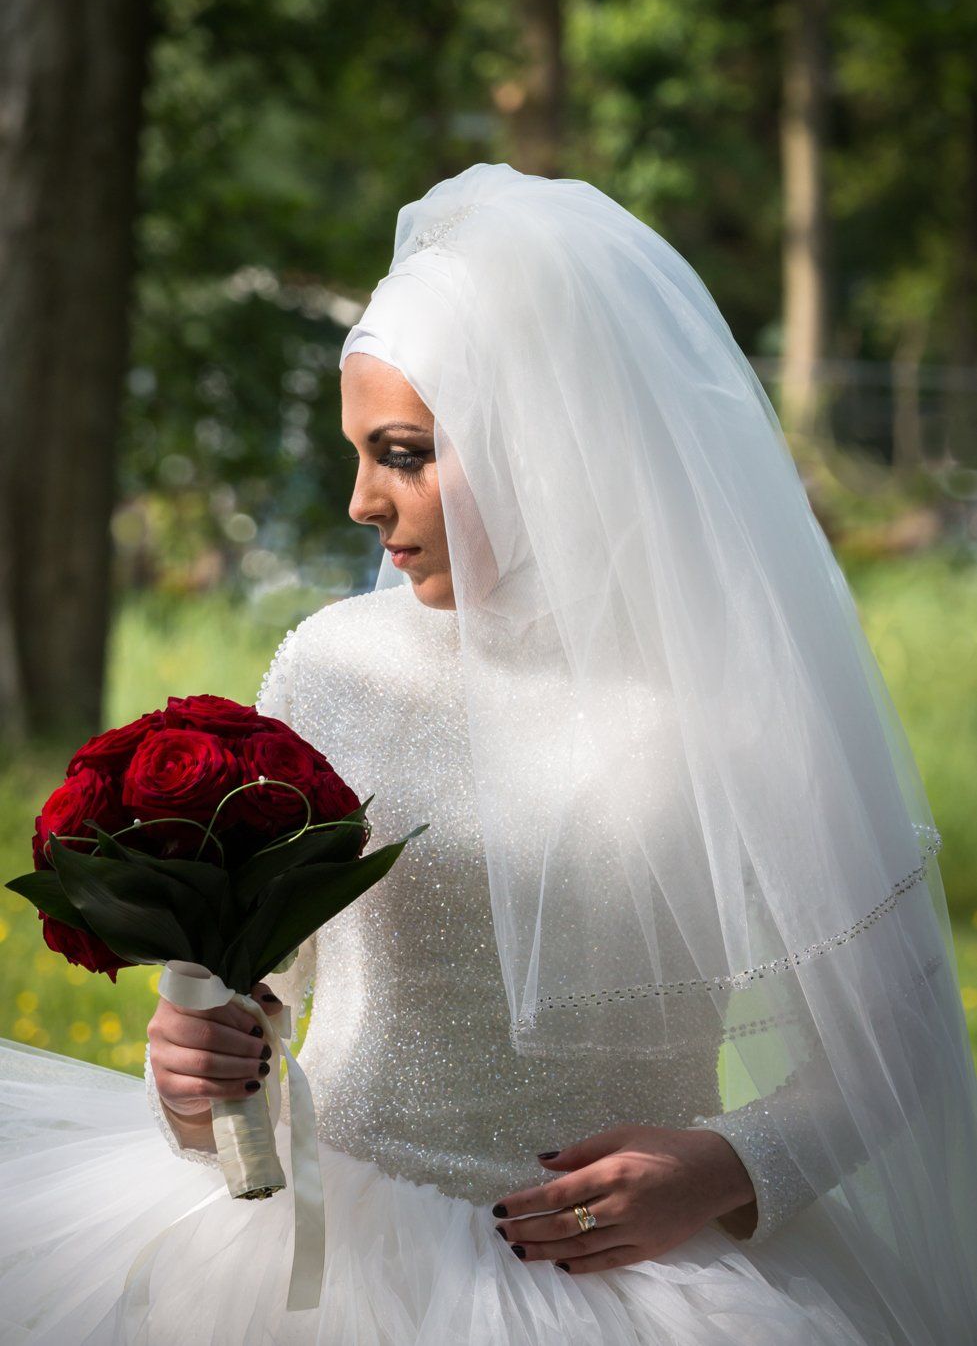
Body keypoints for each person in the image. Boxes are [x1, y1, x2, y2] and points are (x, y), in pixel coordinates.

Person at [1, 161, 975, 1345]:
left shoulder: (730, 707)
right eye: (358, 453)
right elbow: (262, 997)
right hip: (322, 1264)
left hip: (621, 1282)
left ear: (541, 442)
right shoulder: (332, 666)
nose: (362, 501)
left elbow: (896, 1035)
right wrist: (195, 1067)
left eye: (404, 453)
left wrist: (727, 1166)